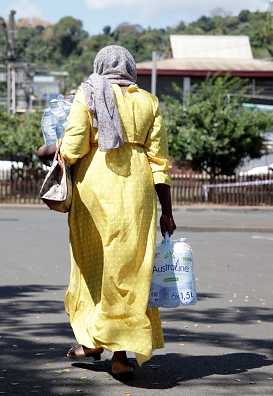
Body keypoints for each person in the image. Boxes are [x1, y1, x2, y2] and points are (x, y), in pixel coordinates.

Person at [38, 45, 176, 380]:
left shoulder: (87, 94)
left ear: (100, 65)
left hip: (93, 192)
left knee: (94, 266)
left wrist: (46, 151)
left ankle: (93, 340)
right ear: (131, 68)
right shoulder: (148, 101)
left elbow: (71, 148)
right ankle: (120, 354)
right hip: (138, 194)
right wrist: (167, 212)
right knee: (130, 271)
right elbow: (160, 165)